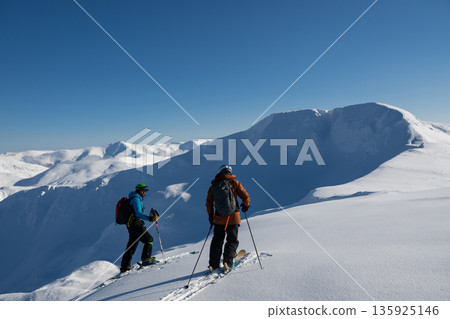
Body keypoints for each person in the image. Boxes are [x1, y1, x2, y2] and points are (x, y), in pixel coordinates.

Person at [206, 165, 250, 272]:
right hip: (233, 218)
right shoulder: (235, 183)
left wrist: (211, 216)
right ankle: (228, 261)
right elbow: (245, 197)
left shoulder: (214, 186)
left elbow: (208, 203)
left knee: (217, 241)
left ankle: (213, 264)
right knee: (232, 240)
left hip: (219, 219)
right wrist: (245, 206)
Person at [120, 184, 158, 273]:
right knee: (149, 239)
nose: (144, 193)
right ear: (138, 191)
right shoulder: (136, 199)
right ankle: (146, 259)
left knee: (132, 245)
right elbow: (138, 213)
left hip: (131, 225)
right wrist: (150, 218)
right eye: (142, 191)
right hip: (136, 224)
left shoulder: (133, 198)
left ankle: (125, 266)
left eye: (145, 191)